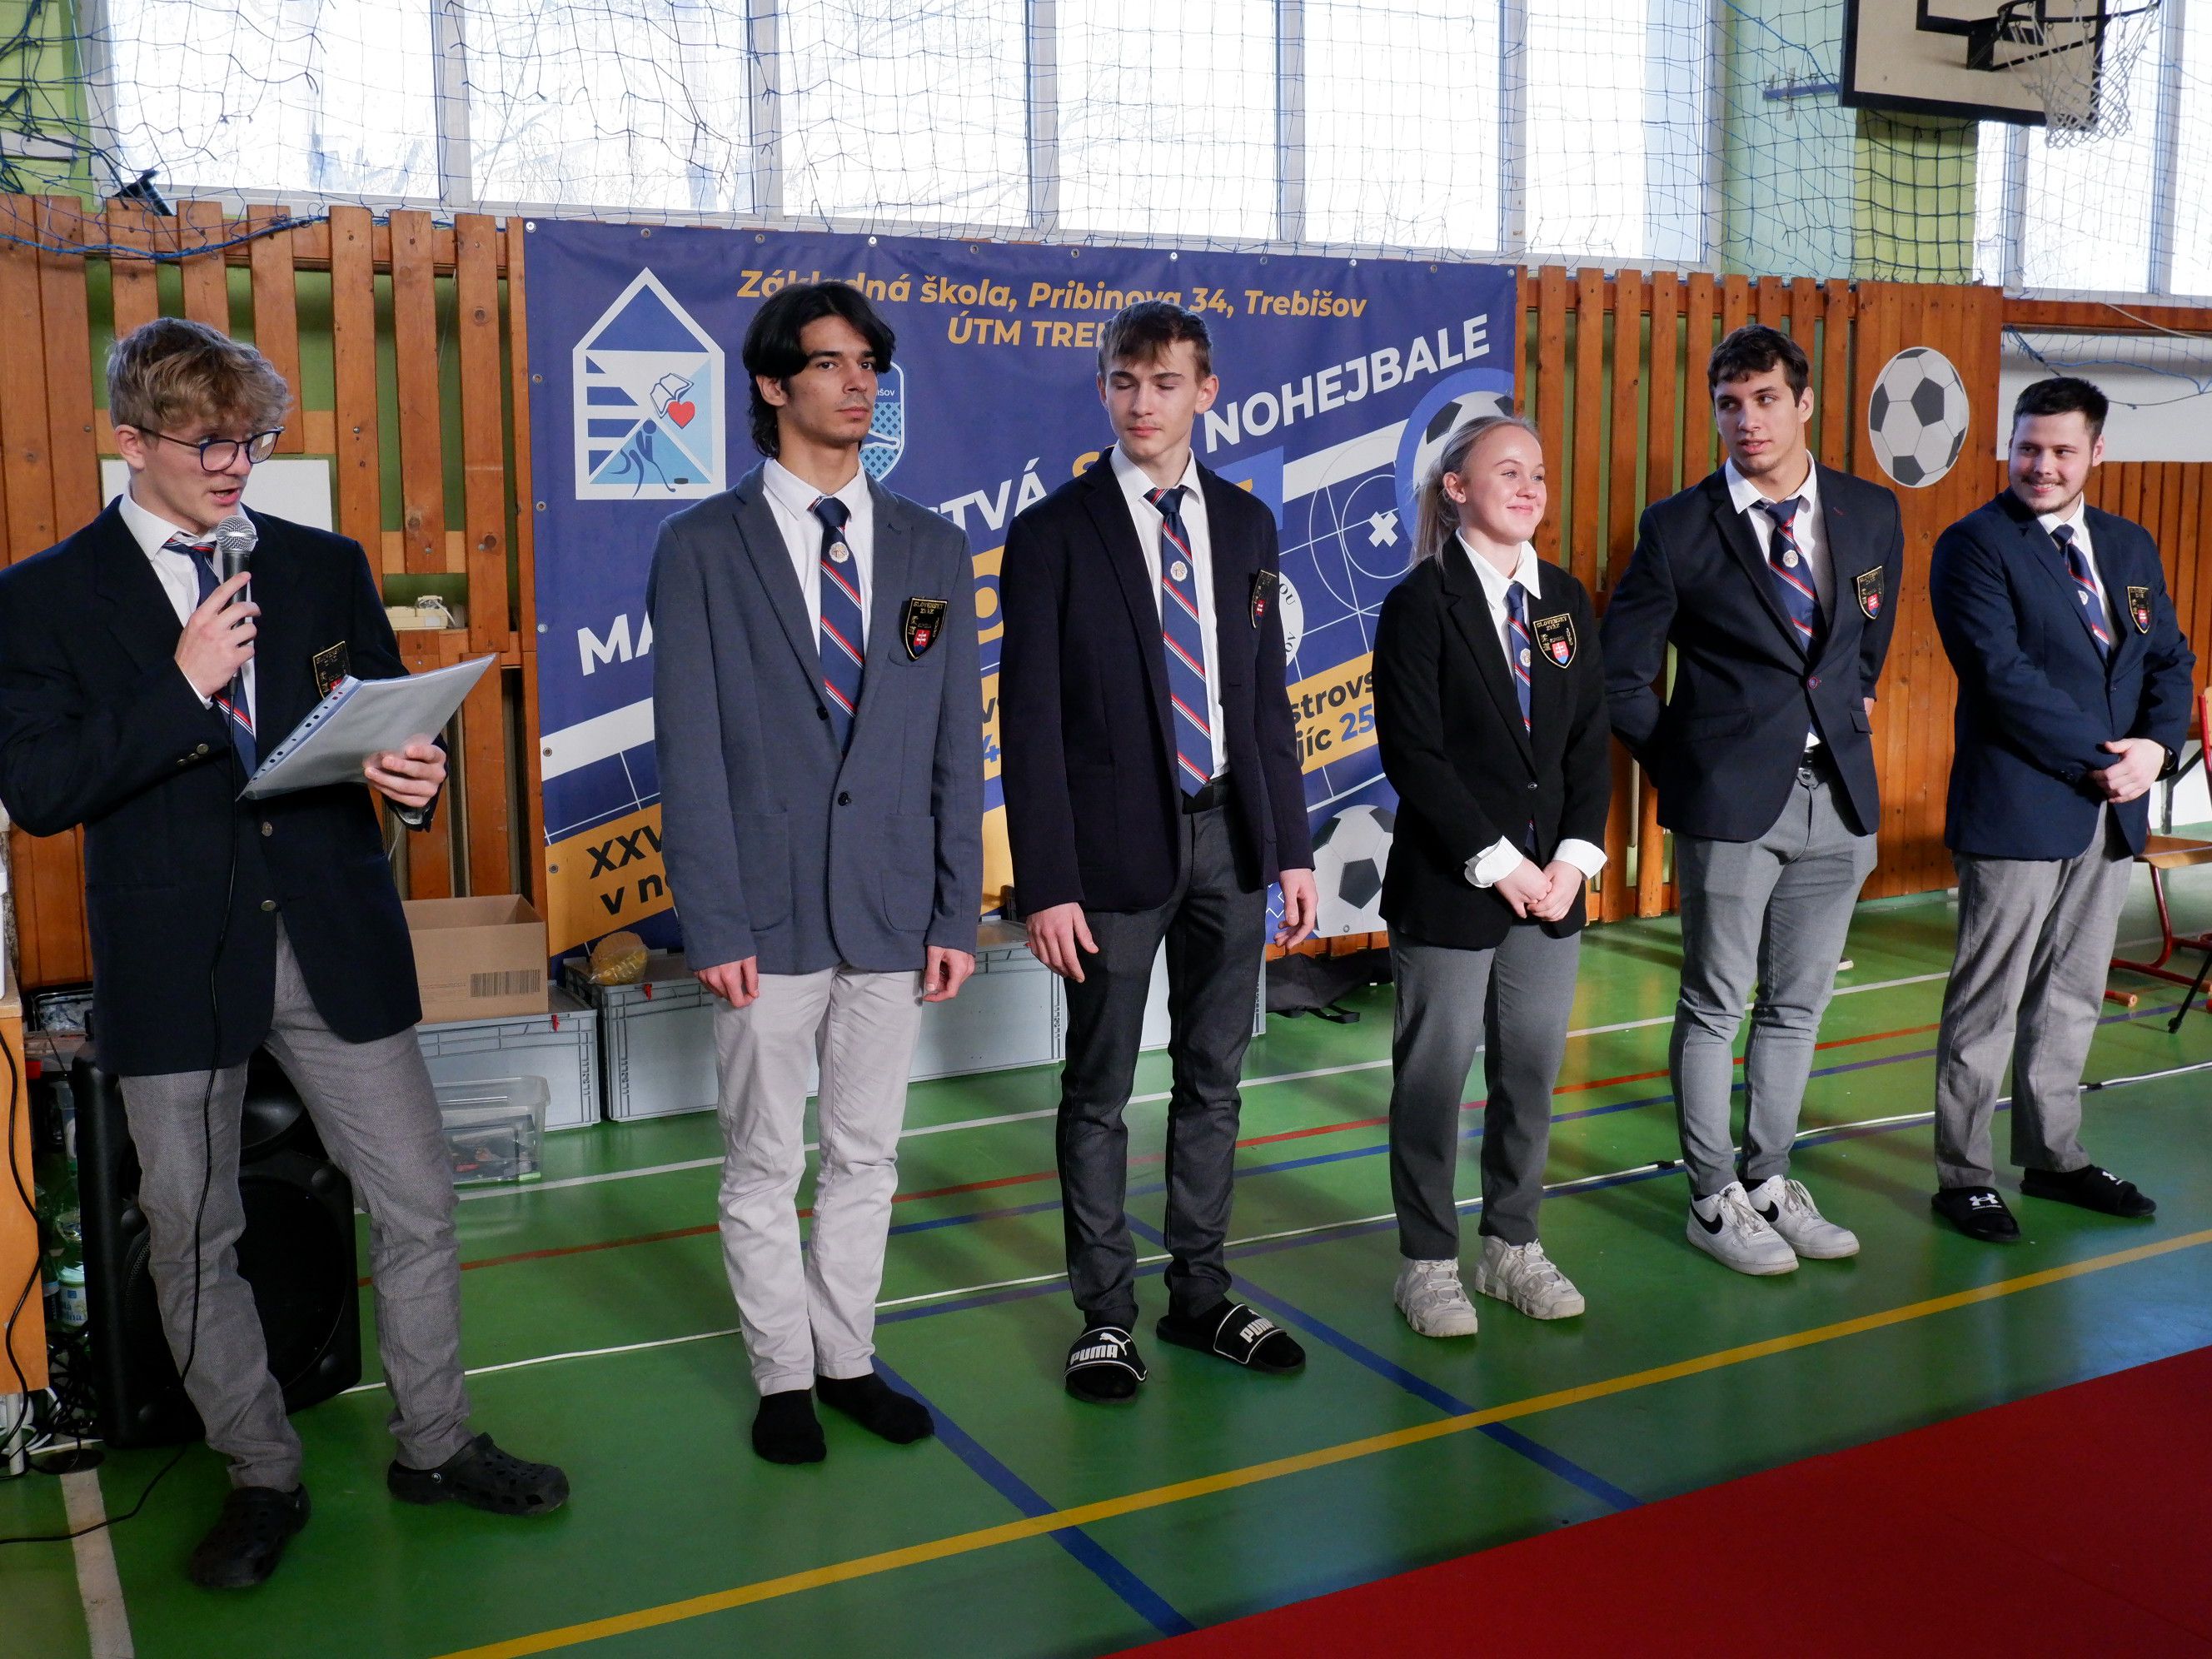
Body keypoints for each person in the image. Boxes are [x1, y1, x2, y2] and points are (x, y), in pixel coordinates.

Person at [0, 318, 565, 1589]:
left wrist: (409, 772)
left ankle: (435, 1443)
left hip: (330, 934)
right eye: (206, 442)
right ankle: (260, 1474)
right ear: (130, 439)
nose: (235, 465)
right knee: (190, 1234)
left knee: (418, 1201)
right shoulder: (41, 597)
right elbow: (40, 789)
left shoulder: (322, 563)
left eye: (251, 439)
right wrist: (182, 682)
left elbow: (381, 713)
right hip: (174, 956)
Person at [650, 281, 981, 1462]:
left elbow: (955, 744)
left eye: (870, 365)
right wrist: (714, 920)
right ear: (772, 383)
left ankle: (846, 1360)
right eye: (832, 363)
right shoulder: (700, 547)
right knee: (761, 1163)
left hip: (892, 909)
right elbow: (690, 753)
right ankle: (782, 1378)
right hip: (764, 916)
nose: (858, 384)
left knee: (866, 1157)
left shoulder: (935, 546)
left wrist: (955, 909)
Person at [1000, 300, 1318, 1402]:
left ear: (1205, 391)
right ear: (1103, 390)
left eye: (1165, 382)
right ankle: (1104, 1317)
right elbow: (1028, 725)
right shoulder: (1052, 533)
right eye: (1125, 382)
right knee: (1097, 1090)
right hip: (1110, 860)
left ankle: (1200, 1296)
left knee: (1213, 1080)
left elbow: (1265, 700)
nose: (1144, 403)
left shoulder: (1247, 524)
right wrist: (1048, 883)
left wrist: (1291, 848)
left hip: (1233, 837)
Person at [1600, 324, 1903, 1276]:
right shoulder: (1676, 527)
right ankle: (1712, 1198)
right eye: (1728, 403)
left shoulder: (1868, 511)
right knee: (1713, 1006)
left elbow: (1865, 641)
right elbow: (1620, 679)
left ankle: (1769, 1180)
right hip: (1730, 808)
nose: (1746, 420)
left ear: (1803, 403)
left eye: (1765, 399)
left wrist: (1847, 716)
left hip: (1839, 800)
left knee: (1797, 1006)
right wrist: (1689, 770)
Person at [1926, 376, 2192, 1242]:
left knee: (2072, 996)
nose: (2041, 465)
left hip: (2109, 812)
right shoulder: (1974, 545)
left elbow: (2168, 659)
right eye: (2028, 448)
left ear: (2096, 453)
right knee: (1988, 1003)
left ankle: (2053, 1157)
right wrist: (2108, 761)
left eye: (2062, 451)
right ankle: (1964, 1176)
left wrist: (2156, 751)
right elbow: (2001, 677)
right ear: (2008, 446)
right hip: (2019, 806)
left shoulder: (2127, 544)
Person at [1372, 415, 1611, 1335]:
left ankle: (1512, 1244)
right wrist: (1501, 863)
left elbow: (1588, 742)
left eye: (1538, 473)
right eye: (1506, 472)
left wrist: (1573, 860)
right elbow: (1414, 754)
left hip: (1552, 890)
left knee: (1532, 1076)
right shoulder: (1420, 603)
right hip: (1452, 885)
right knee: (1433, 1082)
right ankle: (1428, 1261)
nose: (1528, 487)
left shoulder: (1563, 600)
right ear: (1456, 488)